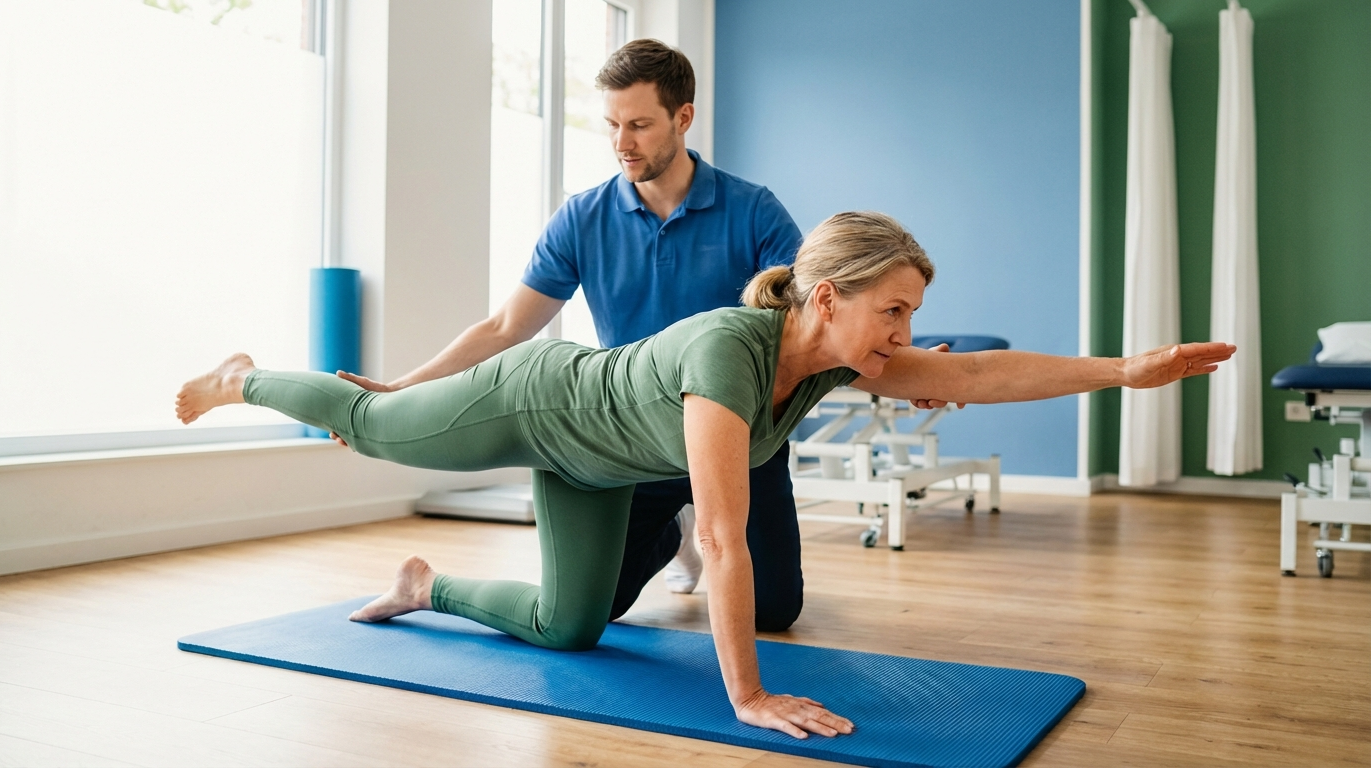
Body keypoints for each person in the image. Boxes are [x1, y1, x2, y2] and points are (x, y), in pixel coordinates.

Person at [176, 211, 1235, 739]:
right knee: (372, 424)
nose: (907, 334)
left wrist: (1124, 370)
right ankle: (246, 375)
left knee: (566, 628)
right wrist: (749, 695)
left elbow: (988, 372)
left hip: (590, 469)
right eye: (893, 311)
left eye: (909, 314)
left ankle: (425, 589)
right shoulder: (731, 351)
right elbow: (720, 538)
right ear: (823, 297)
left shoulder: (833, 360)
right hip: (536, 399)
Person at [330, 38, 825, 630]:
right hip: (638, 439)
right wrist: (400, 390)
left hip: (740, 438)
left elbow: (811, 321)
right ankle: (668, 530)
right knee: (594, 610)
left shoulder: (753, 210)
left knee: (771, 612)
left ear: (683, 117)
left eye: (639, 125)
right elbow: (506, 326)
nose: (622, 143)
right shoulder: (582, 218)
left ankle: (692, 522)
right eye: (612, 124)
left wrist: (898, 362)